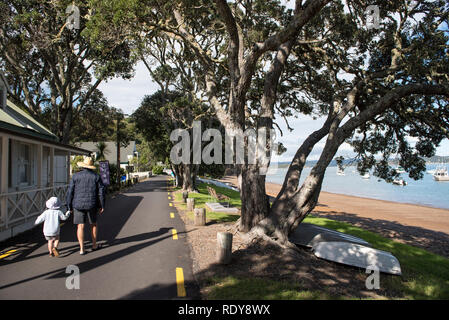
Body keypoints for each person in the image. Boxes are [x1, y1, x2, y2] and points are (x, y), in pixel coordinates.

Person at [67, 157, 105, 255]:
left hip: (78, 204)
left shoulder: (75, 176)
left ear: (83, 165)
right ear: (91, 166)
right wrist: (102, 205)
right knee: (94, 224)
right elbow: (101, 192)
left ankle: (82, 249)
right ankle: (94, 245)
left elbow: (70, 192)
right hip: (92, 204)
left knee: (80, 226)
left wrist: (69, 206)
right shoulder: (96, 177)